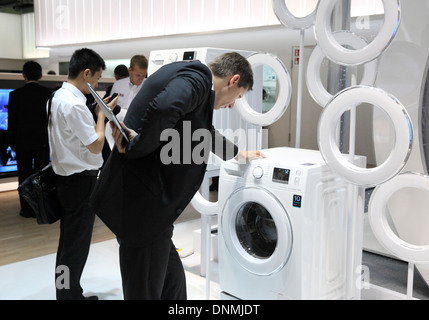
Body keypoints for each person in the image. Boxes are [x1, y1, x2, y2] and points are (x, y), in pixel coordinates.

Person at [91, 52, 265, 300]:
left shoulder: (194, 82)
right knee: (145, 290)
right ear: (233, 79)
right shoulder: (197, 78)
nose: (231, 105)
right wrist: (137, 145)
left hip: (152, 214)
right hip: (144, 211)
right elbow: (163, 109)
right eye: (237, 97)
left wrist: (236, 153)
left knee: (172, 286)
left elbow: (201, 131)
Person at [47, 48, 117, 300]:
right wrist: (101, 116)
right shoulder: (74, 104)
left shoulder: (57, 97)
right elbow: (96, 145)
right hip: (79, 183)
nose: (97, 85)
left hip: (66, 181)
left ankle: (66, 291)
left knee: (68, 244)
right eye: (97, 79)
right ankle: (68, 295)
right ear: (86, 73)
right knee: (75, 246)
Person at [7, 61, 54, 218]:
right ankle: (41, 209)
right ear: (40, 75)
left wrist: (12, 143)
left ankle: (26, 209)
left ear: (23, 75)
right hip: (43, 142)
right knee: (41, 176)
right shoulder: (49, 93)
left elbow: (12, 122)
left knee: (24, 175)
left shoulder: (15, 95)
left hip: (22, 143)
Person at [110, 55, 148, 121]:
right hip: (117, 121)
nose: (140, 79)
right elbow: (111, 105)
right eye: (138, 75)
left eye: (143, 76)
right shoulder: (118, 84)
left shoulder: (148, 86)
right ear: (130, 70)